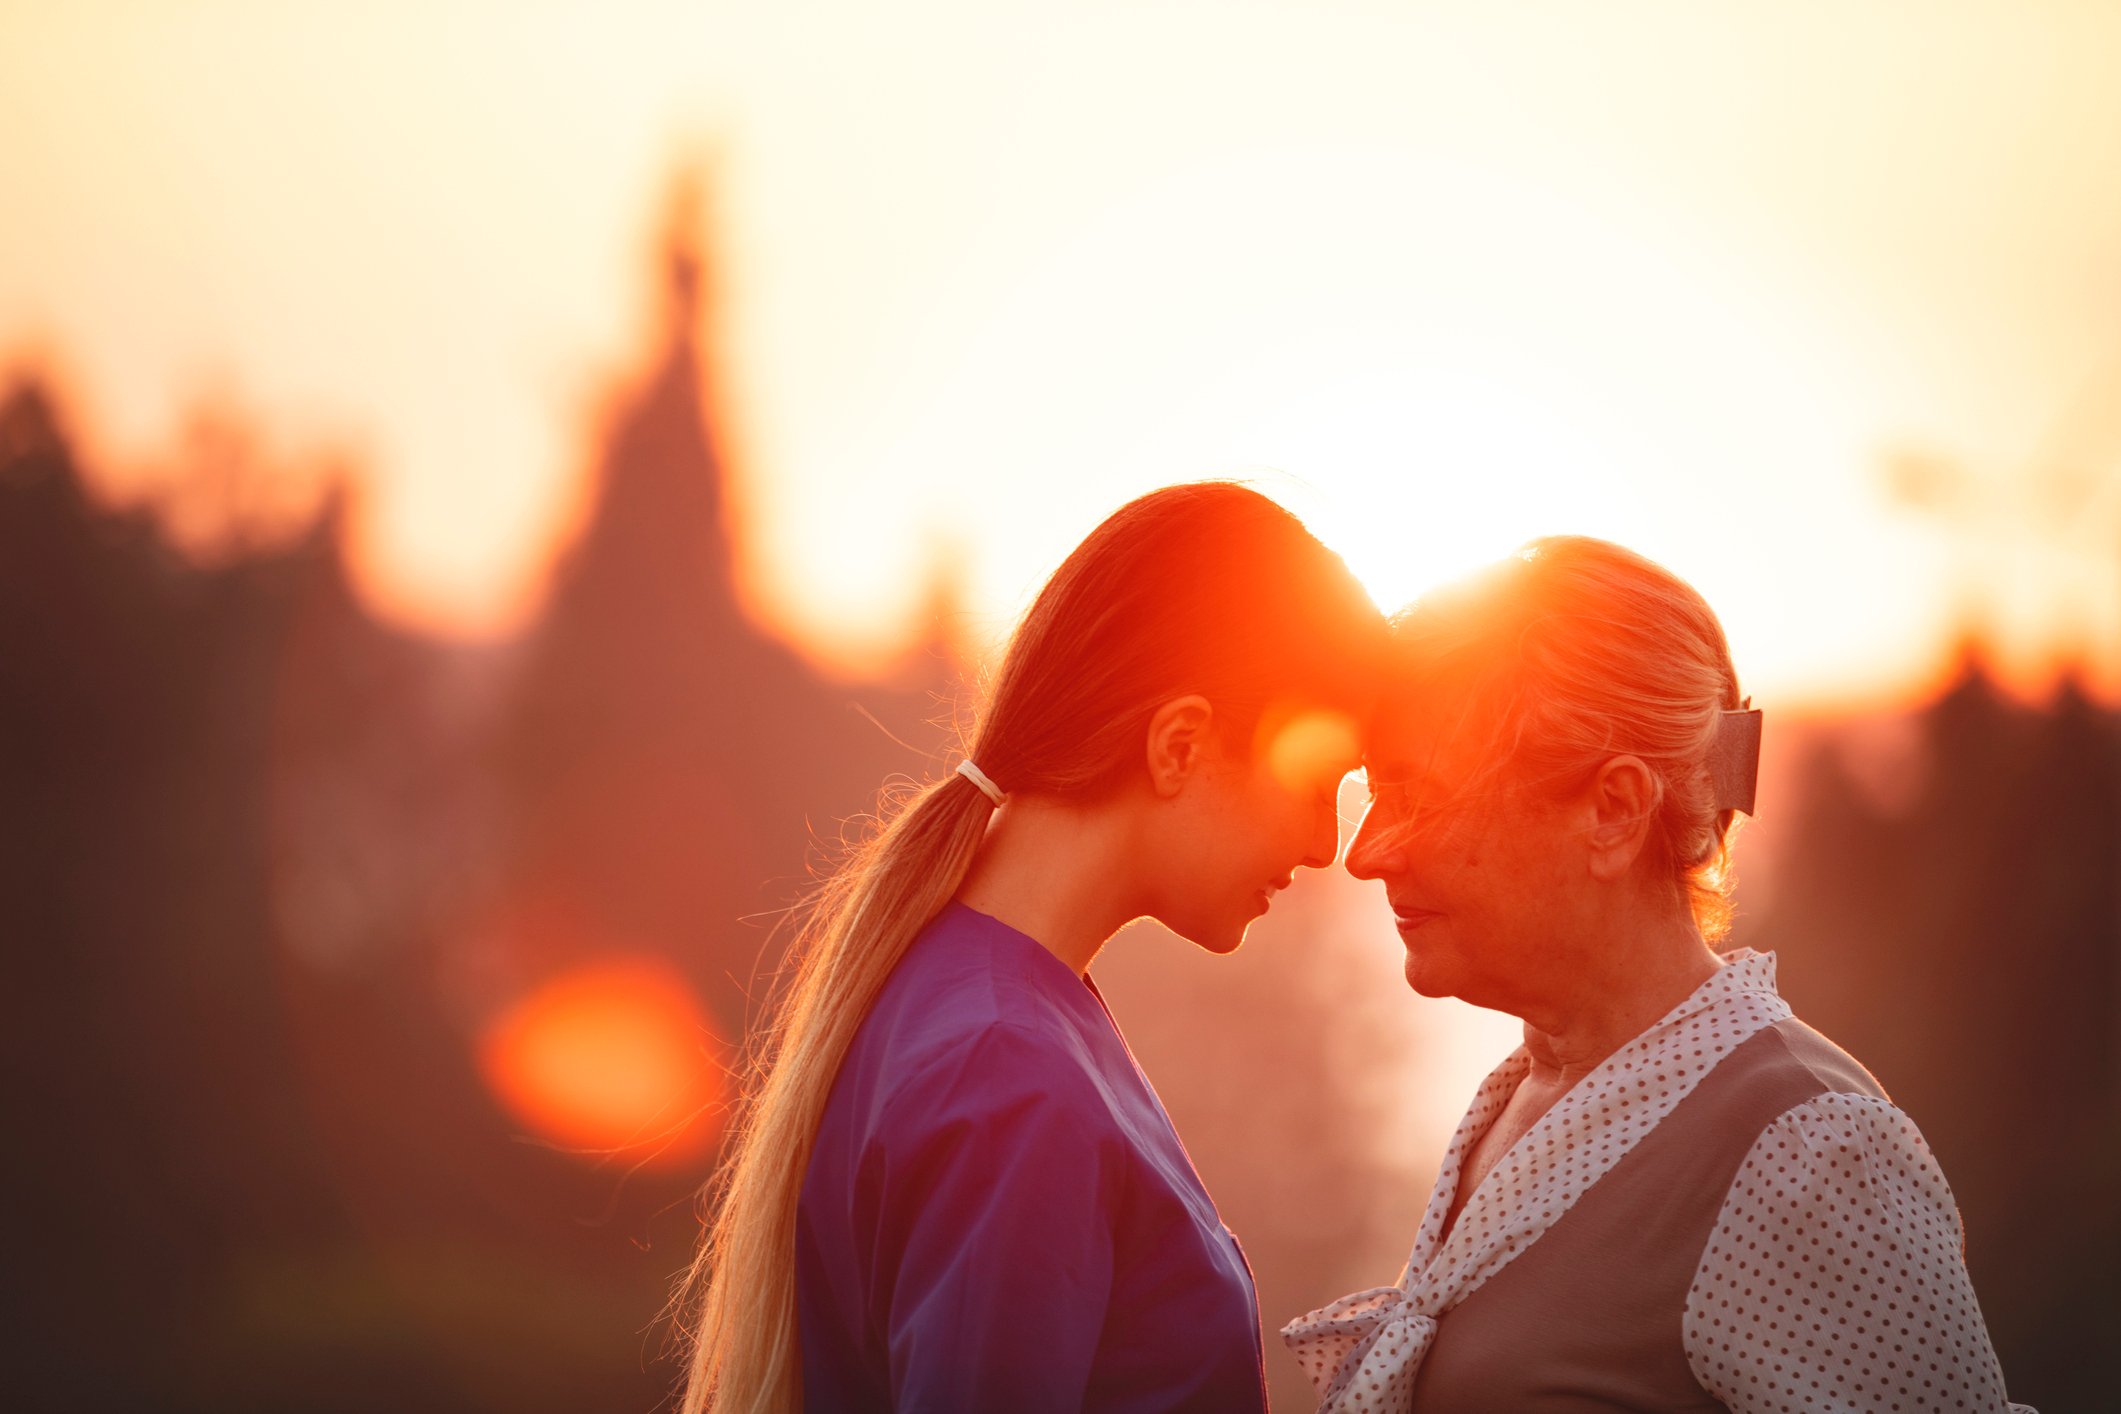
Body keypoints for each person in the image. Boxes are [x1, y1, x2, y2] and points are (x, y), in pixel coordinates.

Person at [673, 482, 1386, 1414]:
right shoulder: (1010, 1071)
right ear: (1179, 745)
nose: (1326, 846)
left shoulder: (982, 1007)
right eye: (1317, 783)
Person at [1284, 536, 2033, 1413]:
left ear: (1613, 810)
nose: (1366, 852)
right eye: (1374, 794)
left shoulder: (1807, 1152)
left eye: (1417, 797)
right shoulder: (1532, 1095)